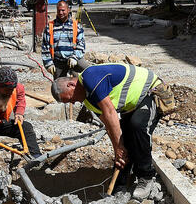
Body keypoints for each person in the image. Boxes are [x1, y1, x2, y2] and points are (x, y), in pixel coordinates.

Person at [52, 63, 168, 197]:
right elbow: (109, 124)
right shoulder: (89, 101)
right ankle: (119, 186)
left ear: (71, 85)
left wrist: (119, 147)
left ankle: (146, 177)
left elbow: (110, 112)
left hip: (151, 90)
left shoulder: (90, 78)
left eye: (70, 98)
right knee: (125, 138)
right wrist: (118, 149)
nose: (73, 103)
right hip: (132, 104)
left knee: (137, 126)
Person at [41, 0, 90, 77]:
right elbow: (45, 47)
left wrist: (74, 57)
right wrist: (49, 64)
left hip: (74, 59)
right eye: (59, 10)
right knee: (59, 85)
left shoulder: (76, 26)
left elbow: (81, 44)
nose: (61, 13)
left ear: (68, 10)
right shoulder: (50, 26)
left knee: (88, 73)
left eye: (63, 10)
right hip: (58, 61)